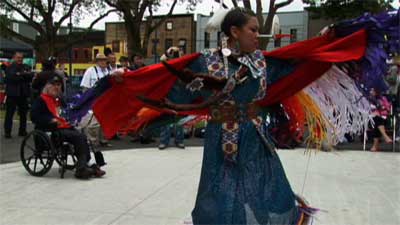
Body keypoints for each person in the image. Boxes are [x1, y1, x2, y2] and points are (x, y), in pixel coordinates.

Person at [30, 74, 105, 179]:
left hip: (63, 127)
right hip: (49, 129)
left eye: (59, 85)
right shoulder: (40, 100)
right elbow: (34, 117)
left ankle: (84, 164)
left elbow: (67, 111)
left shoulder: (59, 100)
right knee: (78, 137)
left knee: (83, 136)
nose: (56, 87)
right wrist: (50, 120)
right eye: (54, 85)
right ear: (47, 86)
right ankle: (82, 168)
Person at [80, 53, 112, 147]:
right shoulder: (90, 71)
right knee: (93, 122)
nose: (103, 62)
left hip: (106, 99)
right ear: (97, 61)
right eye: (100, 60)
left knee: (105, 121)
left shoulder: (108, 71)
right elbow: (85, 87)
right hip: (94, 99)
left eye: (104, 60)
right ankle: (92, 141)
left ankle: (104, 140)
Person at [3, 52, 34, 138]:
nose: (20, 59)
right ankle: (7, 132)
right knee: (9, 114)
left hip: (23, 94)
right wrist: (23, 75)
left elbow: (30, 76)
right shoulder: (10, 67)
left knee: (23, 114)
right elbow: (11, 78)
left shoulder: (25, 66)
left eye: (21, 57)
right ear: (14, 58)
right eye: (18, 57)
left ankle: (22, 131)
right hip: (12, 94)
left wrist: (20, 74)